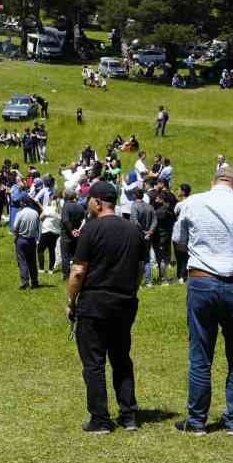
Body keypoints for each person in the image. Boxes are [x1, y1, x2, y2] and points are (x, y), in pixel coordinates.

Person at [172, 164, 233, 435]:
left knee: (200, 355)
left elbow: (178, 242)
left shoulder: (193, 203)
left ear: (213, 180)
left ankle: (196, 422)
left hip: (202, 281)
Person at [66, 181, 147, 434]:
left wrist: (71, 301)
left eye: (89, 199)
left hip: (94, 303)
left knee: (94, 363)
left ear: (98, 202)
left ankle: (100, 419)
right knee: (122, 359)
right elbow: (139, 271)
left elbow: (78, 272)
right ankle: (128, 415)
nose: (87, 204)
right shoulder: (134, 231)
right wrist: (130, 292)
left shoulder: (91, 230)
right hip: (124, 303)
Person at [11, 195, 41, 289]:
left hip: (21, 239)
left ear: (23, 203)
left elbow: (15, 227)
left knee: (22, 261)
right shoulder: (35, 213)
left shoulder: (20, 213)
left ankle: (25, 282)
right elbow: (38, 227)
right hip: (32, 239)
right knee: (32, 261)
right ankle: (35, 281)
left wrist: (16, 235)